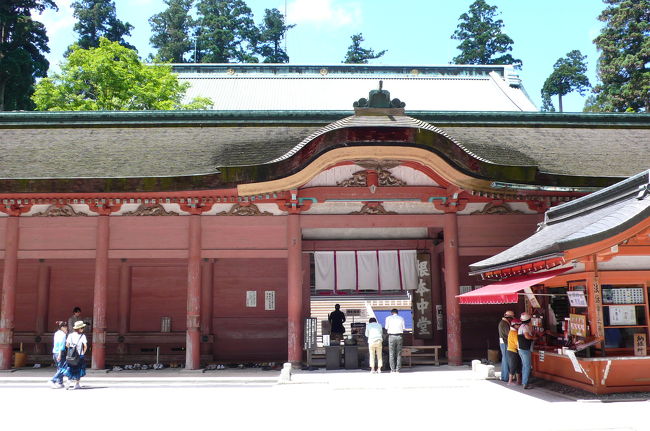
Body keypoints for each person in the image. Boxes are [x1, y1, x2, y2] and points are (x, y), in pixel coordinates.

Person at [518, 312, 542, 389]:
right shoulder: (525, 327)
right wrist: (534, 338)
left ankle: (524, 381)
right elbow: (527, 336)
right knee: (527, 366)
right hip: (525, 349)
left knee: (524, 366)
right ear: (529, 320)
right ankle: (525, 383)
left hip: (521, 349)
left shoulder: (521, 326)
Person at [65, 321, 88, 390]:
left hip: (71, 355)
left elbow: (67, 345)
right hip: (80, 355)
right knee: (79, 369)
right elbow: (85, 346)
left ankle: (69, 380)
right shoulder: (82, 336)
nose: (83, 329)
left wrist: (71, 350)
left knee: (71, 368)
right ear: (80, 328)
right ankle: (77, 384)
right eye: (82, 328)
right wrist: (83, 352)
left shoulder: (70, 335)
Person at [384, 309, 406, 373]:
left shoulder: (388, 318)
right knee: (399, 353)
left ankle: (392, 369)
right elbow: (404, 328)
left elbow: (386, 327)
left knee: (391, 353)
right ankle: (398, 369)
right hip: (399, 336)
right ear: (397, 313)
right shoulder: (401, 318)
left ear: (391, 313)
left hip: (391, 336)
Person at [49, 321, 68, 389]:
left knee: (59, 368)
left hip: (54, 352)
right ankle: (53, 380)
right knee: (63, 368)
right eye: (66, 327)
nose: (66, 328)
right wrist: (60, 355)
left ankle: (60, 382)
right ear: (62, 327)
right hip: (60, 353)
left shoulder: (56, 333)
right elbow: (61, 345)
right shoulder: (63, 335)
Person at [498, 310, 515, 382]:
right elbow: (509, 334)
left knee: (505, 359)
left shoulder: (504, 322)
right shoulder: (504, 323)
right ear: (509, 317)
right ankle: (505, 377)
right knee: (506, 359)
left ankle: (504, 376)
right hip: (505, 343)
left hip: (503, 343)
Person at [507, 318, 522, 385]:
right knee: (513, 366)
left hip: (512, 351)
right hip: (513, 351)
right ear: (514, 325)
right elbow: (517, 343)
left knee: (518, 365)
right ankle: (510, 381)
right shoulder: (514, 333)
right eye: (518, 325)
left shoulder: (511, 331)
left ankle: (518, 381)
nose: (519, 326)